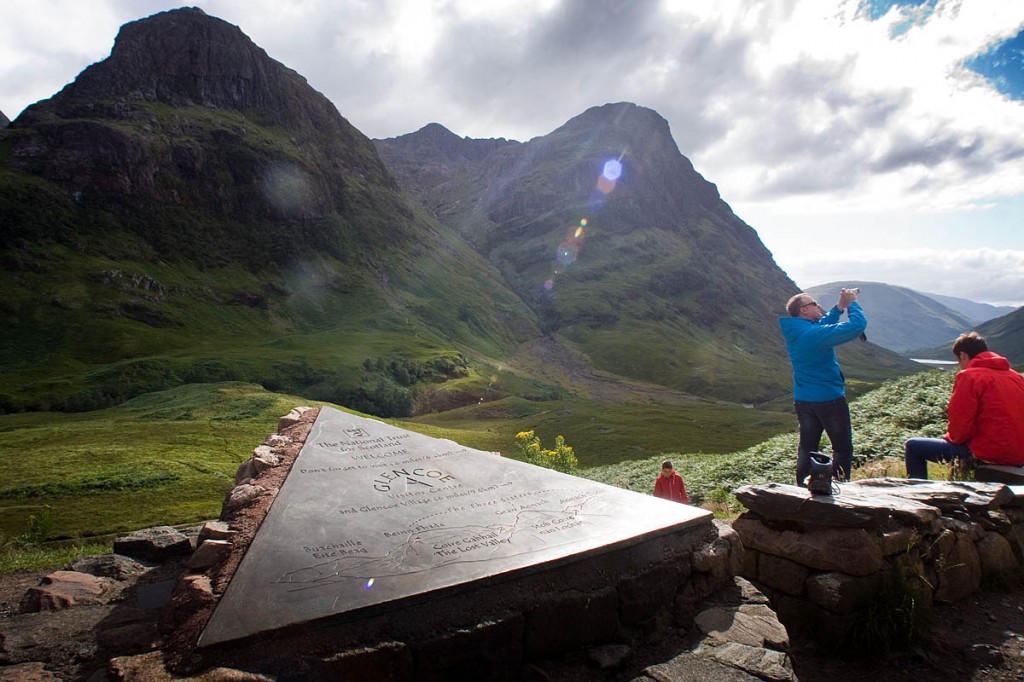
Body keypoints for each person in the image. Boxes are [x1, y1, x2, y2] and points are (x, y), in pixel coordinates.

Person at [904, 332, 1024, 479]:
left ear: (963, 356)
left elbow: (960, 428)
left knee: (913, 446)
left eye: (958, 361)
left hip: (990, 453)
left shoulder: (969, 376)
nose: (960, 365)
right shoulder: (1016, 377)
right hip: (1019, 454)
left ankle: (917, 496)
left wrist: (950, 438)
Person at [780, 288, 867, 486]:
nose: (818, 306)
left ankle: (801, 488)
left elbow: (819, 326)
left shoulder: (797, 331)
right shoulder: (814, 334)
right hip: (829, 399)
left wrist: (838, 308)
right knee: (842, 448)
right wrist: (852, 303)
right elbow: (857, 325)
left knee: (807, 447)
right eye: (814, 304)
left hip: (804, 400)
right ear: (804, 310)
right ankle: (839, 487)